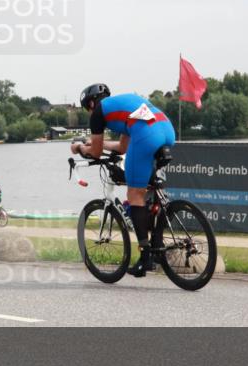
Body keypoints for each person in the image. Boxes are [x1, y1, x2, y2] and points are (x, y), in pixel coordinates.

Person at [71, 83, 175, 277]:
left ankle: (145, 258)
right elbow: (122, 147)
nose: (89, 113)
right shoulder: (123, 105)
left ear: (91, 103)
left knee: (134, 194)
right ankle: (157, 241)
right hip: (167, 129)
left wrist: (80, 148)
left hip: (146, 135)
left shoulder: (98, 113)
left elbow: (95, 153)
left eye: (87, 109)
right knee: (148, 188)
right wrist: (96, 143)